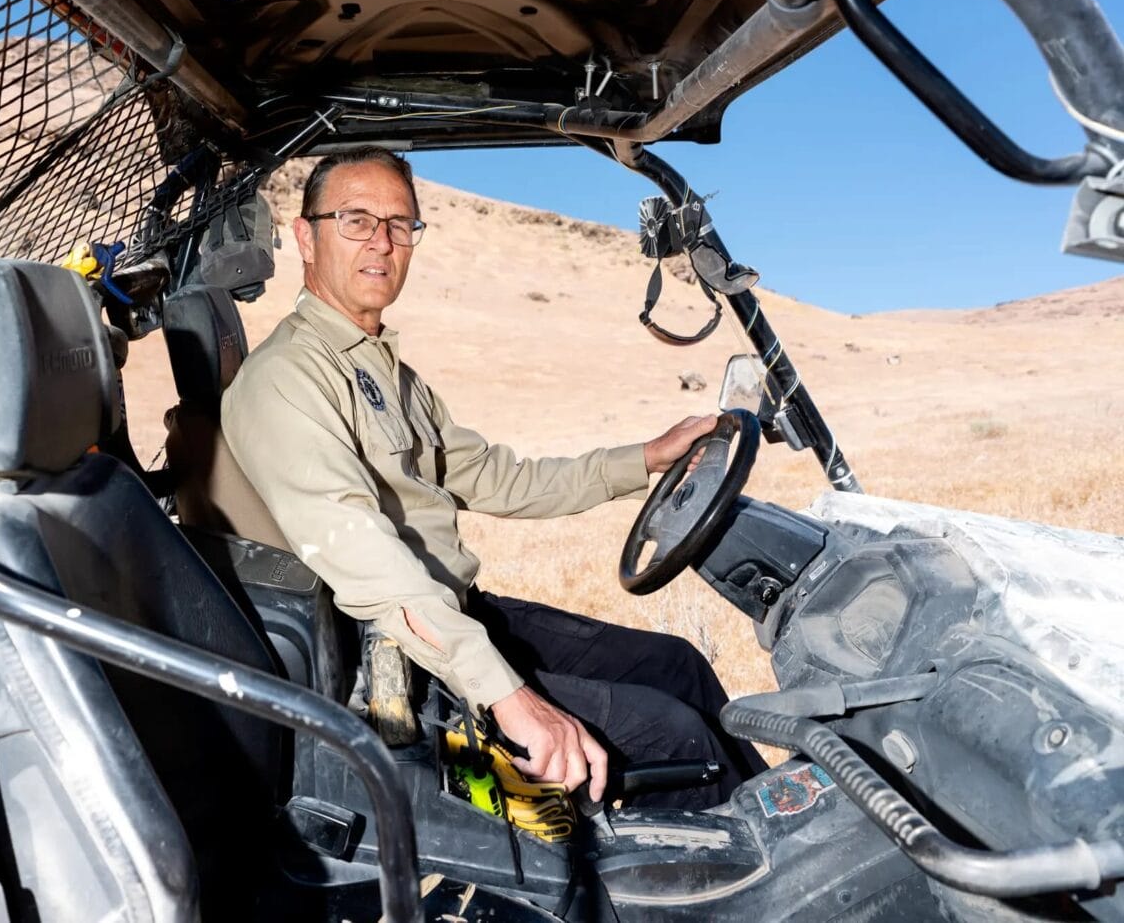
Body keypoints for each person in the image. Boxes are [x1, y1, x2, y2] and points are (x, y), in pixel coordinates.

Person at [222, 146, 766, 809]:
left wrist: (645, 458)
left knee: (678, 665)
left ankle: (783, 823)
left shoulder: (386, 372)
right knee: (676, 739)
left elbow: (494, 477)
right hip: (413, 668)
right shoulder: (288, 379)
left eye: (401, 224)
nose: (383, 243)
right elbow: (370, 570)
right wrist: (510, 699)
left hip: (458, 616)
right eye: (356, 220)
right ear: (306, 235)